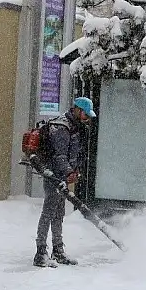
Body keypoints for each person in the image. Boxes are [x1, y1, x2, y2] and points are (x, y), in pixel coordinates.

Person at [33, 97, 95, 267]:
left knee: (58, 213)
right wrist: (69, 171)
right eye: (85, 114)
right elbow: (59, 156)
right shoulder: (62, 128)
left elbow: (72, 154)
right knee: (49, 211)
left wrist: (73, 171)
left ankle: (58, 250)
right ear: (77, 109)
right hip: (53, 175)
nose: (87, 118)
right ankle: (40, 252)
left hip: (62, 176)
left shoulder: (74, 126)